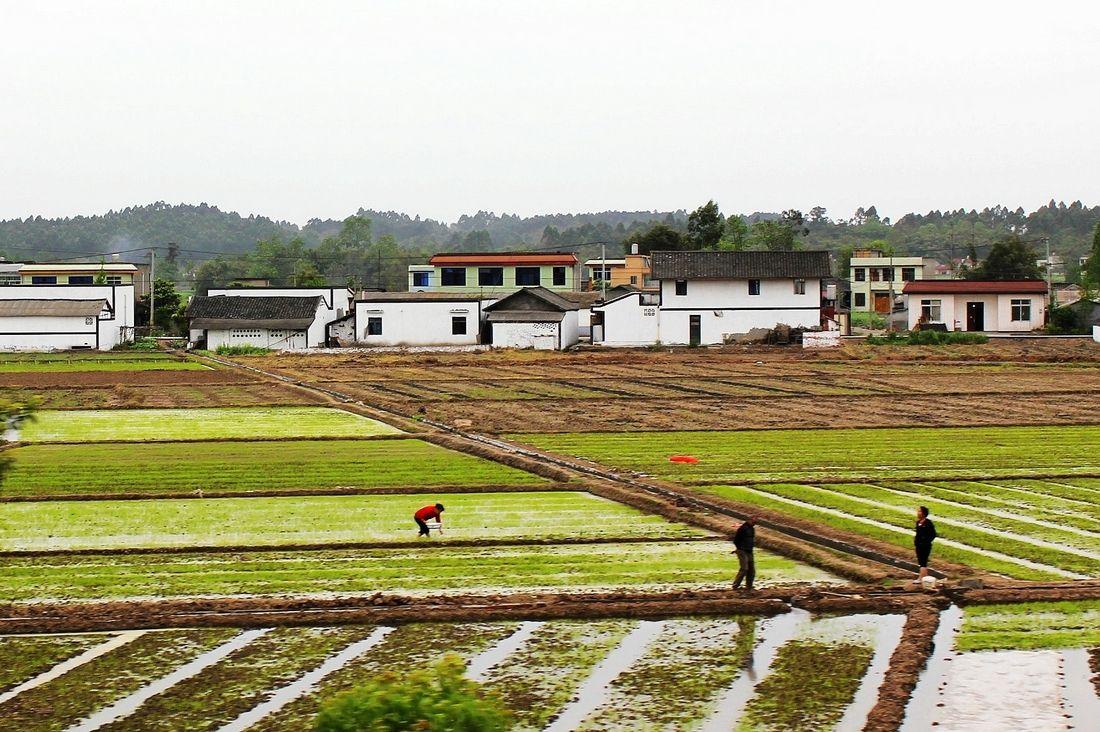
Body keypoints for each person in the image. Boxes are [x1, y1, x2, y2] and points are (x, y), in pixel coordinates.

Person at [732, 516, 757, 591]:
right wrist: (739, 548)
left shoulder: (752, 529)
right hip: (742, 550)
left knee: (751, 570)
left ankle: (749, 586)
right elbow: (736, 540)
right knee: (744, 568)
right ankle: (735, 585)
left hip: (749, 550)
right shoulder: (742, 528)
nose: (755, 523)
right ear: (749, 520)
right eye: (753, 521)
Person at [914, 505, 936, 582]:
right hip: (918, 545)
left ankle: (921, 578)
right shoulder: (918, 522)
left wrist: (926, 542)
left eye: (919, 511)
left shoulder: (928, 523)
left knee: (923, 562)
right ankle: (925, 577)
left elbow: (933, 534)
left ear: (923, 513)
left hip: (925, 546)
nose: (918, 513)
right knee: (921, 561)